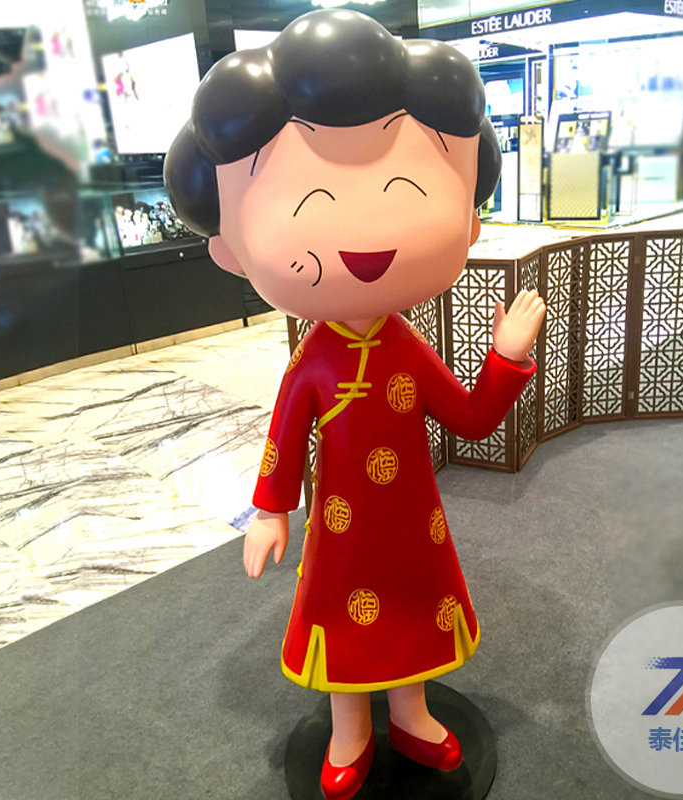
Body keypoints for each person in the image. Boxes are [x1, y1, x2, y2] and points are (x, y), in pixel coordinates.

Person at [164, 10, 545, 799]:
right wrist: (272, 510)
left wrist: (506, 359)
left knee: (412, 611)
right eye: (308, 201)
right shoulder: (314, 361)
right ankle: (351, 727)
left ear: (470, 216)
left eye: (406, 190)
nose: (362, 237)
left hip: (413, 526)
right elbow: (285, 437)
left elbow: (469, 418)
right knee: (343, 621)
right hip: (341, 533)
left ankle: (411, 712)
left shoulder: (406, 347)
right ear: (229, 248)